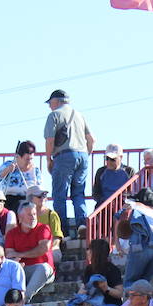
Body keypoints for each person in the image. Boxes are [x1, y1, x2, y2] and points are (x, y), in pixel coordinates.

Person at [43, 89, 94, 235]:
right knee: (78, 192)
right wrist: (85, 155)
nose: (49, 106)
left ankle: (62, 230)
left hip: (64, 156)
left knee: (60, 194)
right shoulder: (79, 115)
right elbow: (91, 140)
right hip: (82, 155)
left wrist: (48, 159)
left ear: (57, 101)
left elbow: (50, 140)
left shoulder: (54, 115)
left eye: (50, 102)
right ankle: (82, 224)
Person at [4, 201, 56, 300]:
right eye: (29, 215)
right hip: (22, 270)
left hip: (42, 272)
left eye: (34, 214)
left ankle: (23, 299)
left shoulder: (44, 228)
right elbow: (9, 254)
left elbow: (43, 249)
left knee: (44, 268)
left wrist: (20, 254)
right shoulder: (12, 233)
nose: (33, 217)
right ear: (20, 217)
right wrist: (15, 261)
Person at [69, 238, 122, 306]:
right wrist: (83, 303)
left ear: (97, 252)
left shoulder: (112, 269)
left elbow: (119, 293)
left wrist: (106, 288)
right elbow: (82, 290)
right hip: (92, 304)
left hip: (112, 305)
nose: (87, 251)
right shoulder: (89, 269)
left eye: (90, 249)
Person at [0, 141, 43, 218]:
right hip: (7, 198)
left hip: (25, 200)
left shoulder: (35, 171)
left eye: (31, 159)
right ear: (18, 157)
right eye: (27, 159)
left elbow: (38, 188)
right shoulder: (9, 165)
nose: (29, 162)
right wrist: (7, 170)